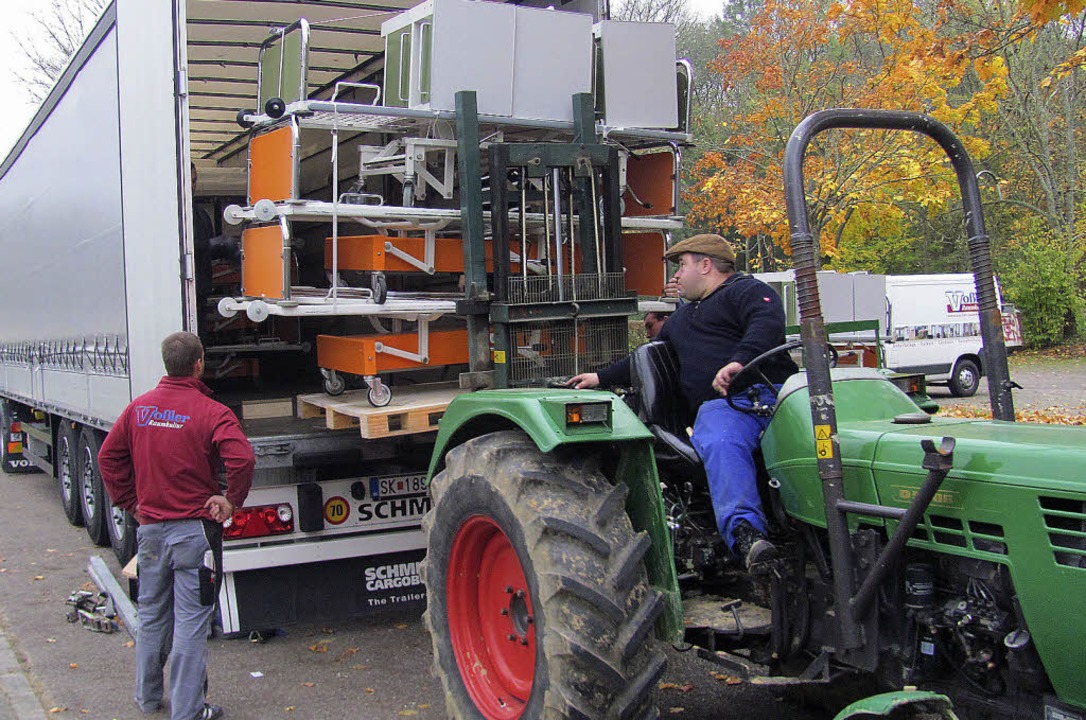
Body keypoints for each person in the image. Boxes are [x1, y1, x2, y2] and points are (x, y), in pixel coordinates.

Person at [569, 234, 797, 570]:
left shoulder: (746, 291)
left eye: (682, 265)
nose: (676, 276)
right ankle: (747, 535)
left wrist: (739, 362)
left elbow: (766, 324)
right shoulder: (681, 320)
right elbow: (642, 358)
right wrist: (599, 378)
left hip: (779, 394)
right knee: (721, 441)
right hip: (727, 406)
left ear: (706, 265)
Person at [99, 331, 254, 720]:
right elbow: (242, 459)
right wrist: (231, 499)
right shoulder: (211, 411)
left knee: (151, 614)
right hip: (193, 535)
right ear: (199, 363)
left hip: (150, 532)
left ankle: (148, 698)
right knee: (191, 621)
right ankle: (188, 710)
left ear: (166, 364)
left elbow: (108, 458)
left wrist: (130, 503)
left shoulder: (139, 409)